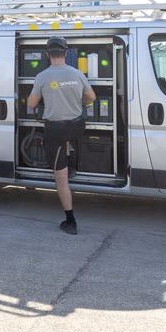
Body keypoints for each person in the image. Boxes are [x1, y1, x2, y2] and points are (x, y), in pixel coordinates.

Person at [26, 37, 95, 234]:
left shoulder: (42, 76)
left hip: (56, 130)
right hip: (77, 127)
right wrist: (76, 100)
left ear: (47, 55)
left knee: (60, 178)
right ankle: (70, 161)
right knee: (67, 141)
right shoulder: (77, 73)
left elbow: (31, 104)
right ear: (65, 53)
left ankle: (70, 221)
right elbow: (91, 97)